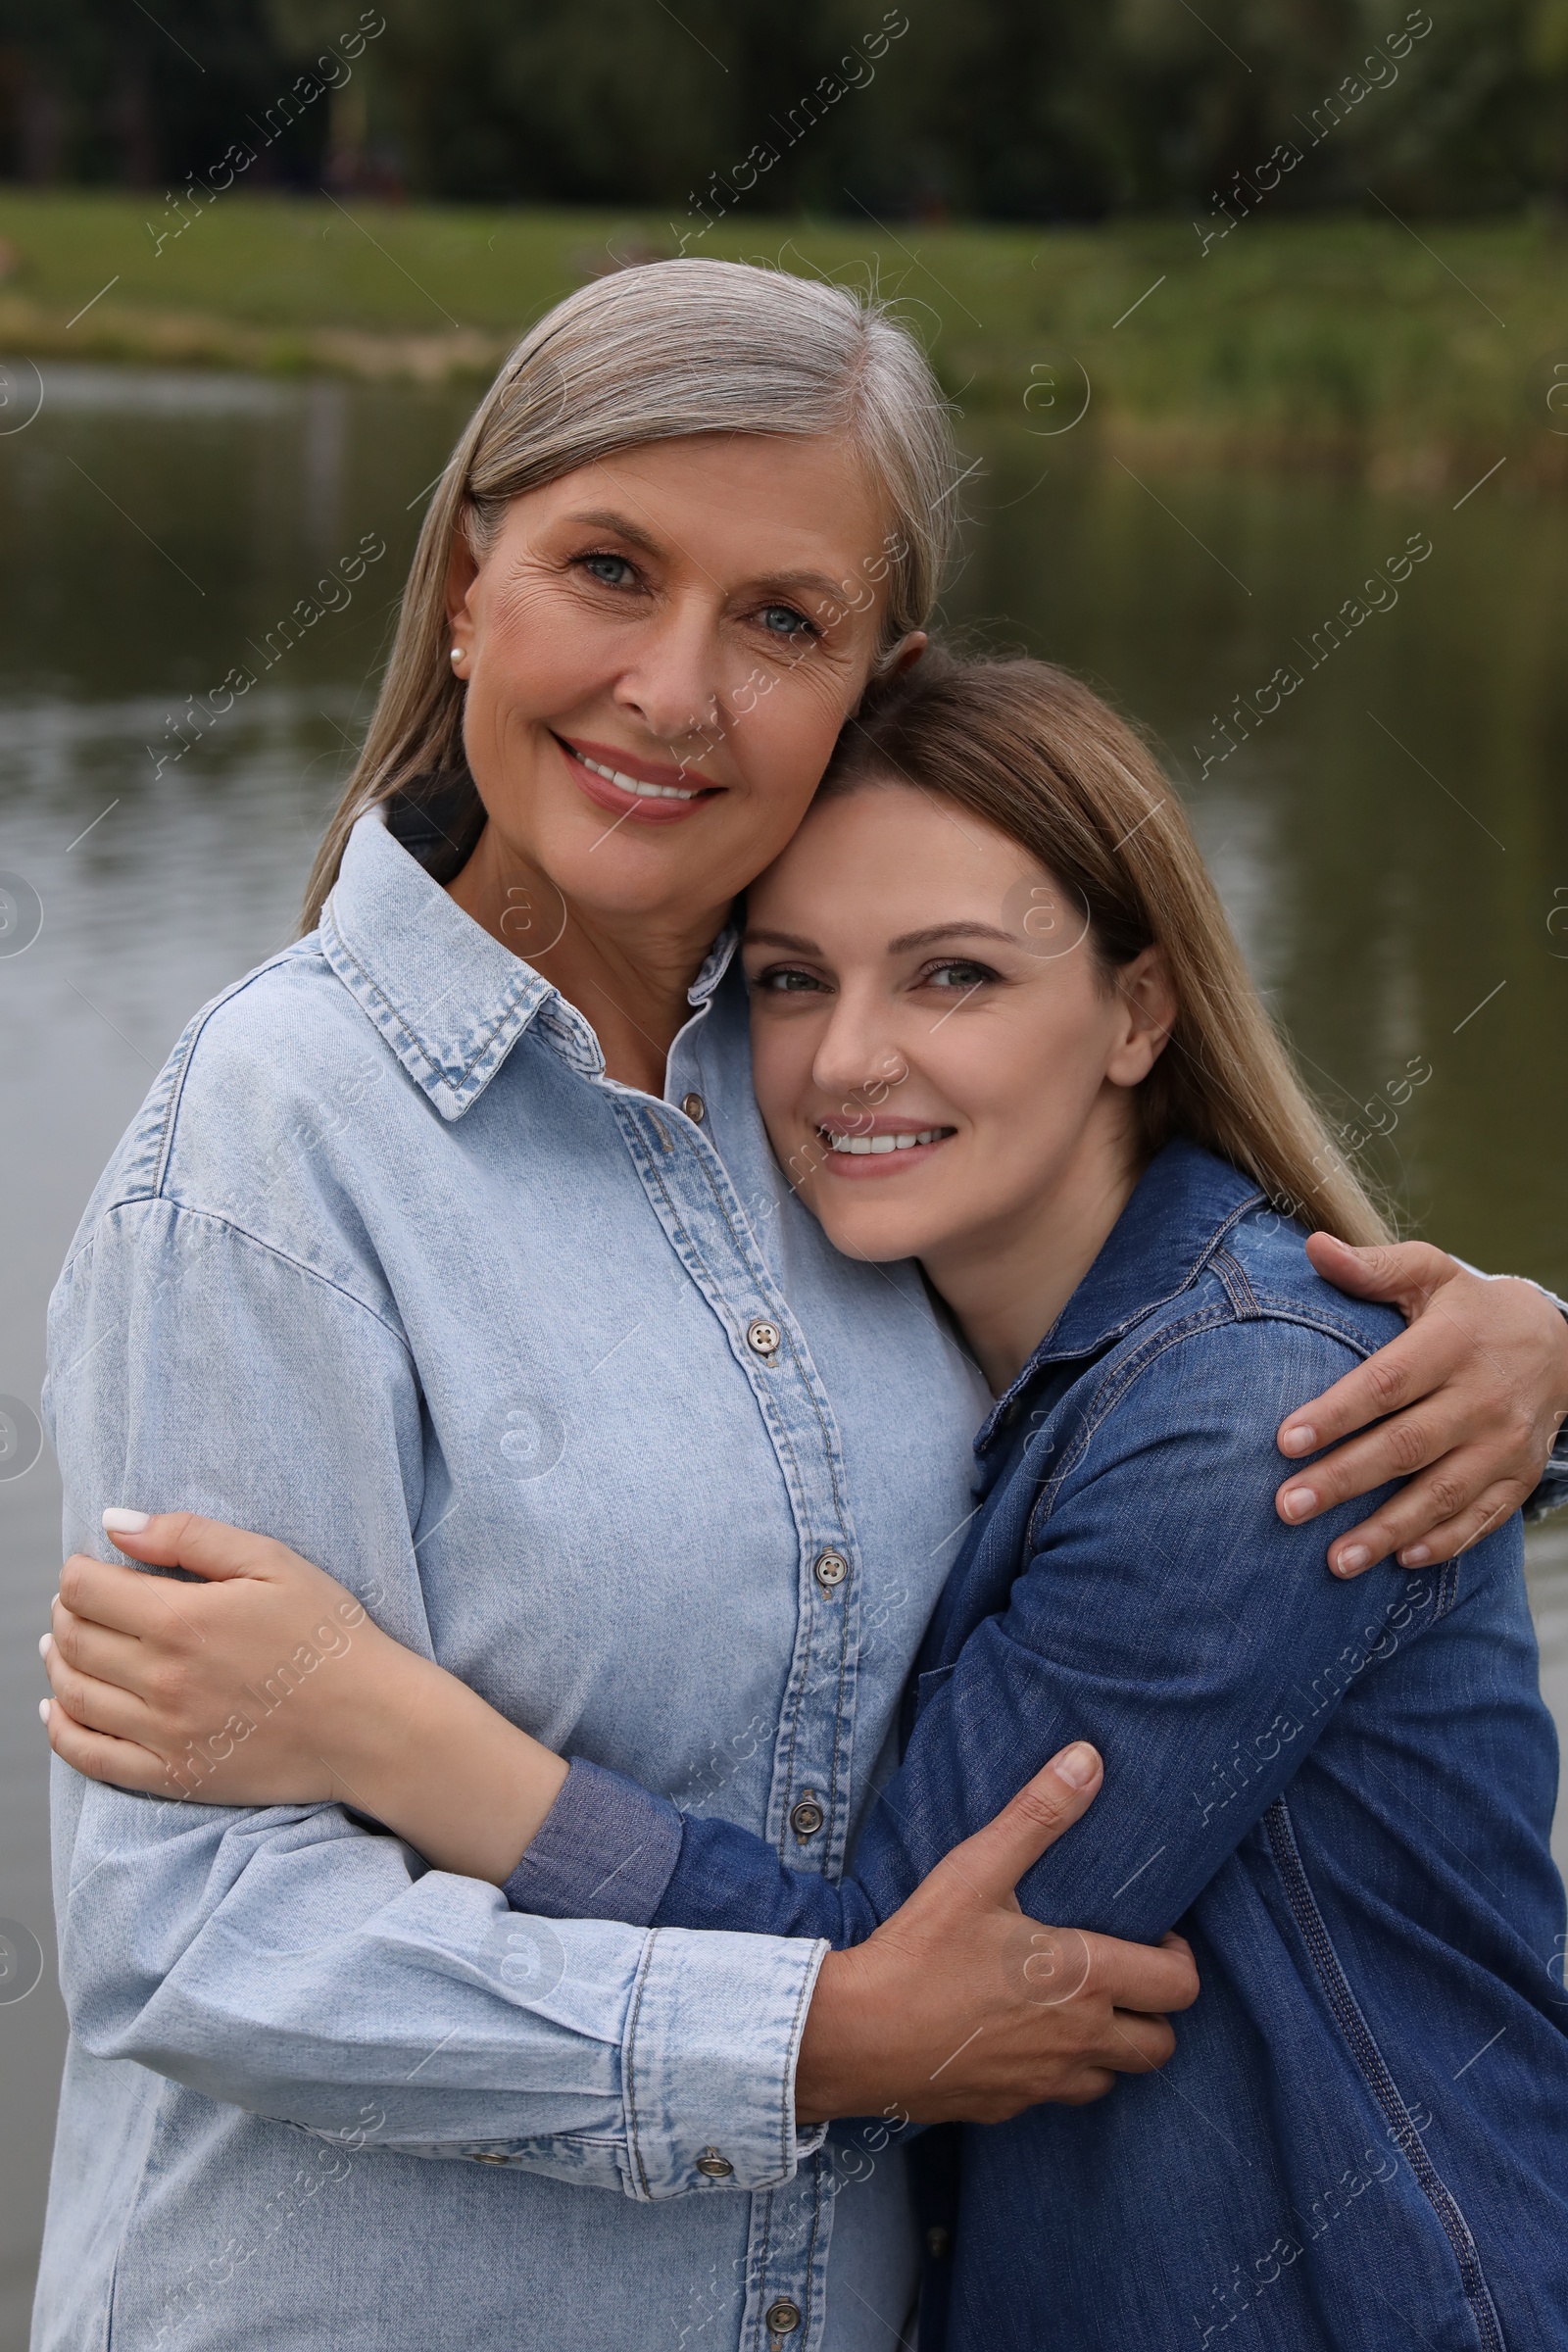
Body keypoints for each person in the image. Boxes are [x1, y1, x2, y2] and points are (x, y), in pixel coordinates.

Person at [36, 263, 1568, 2352]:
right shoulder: (278, 1142)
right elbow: (190, 1942)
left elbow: (1171, 1447)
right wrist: (818, 2042)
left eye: (779, 621)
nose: (674, 689)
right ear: (468, 583)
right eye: (606, 568)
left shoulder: (815, 1112)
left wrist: (1511, 1360)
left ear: (870, 677)